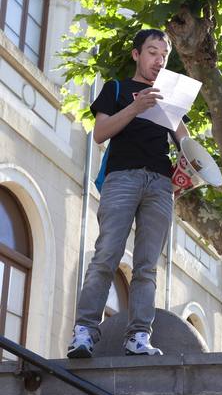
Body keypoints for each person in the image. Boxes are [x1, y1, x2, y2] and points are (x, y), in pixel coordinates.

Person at [68, 29, 189, 358]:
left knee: (147, 266)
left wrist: (190, 166)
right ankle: (85, 332)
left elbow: (187, 144)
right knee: (106, 254)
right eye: (152, 52)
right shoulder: (117, 89)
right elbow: (101, 133)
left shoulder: (171, 97)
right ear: (137, 54)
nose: (158, 60)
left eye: (164, 55)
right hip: (122, 178)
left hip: (161, 185)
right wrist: (135, 109)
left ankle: (138, 337)